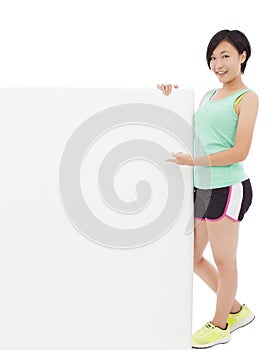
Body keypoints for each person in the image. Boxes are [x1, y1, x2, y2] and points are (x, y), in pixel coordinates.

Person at [157, 29, 258, 348]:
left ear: (242, 56)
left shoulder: (247, 98)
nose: (218, 63)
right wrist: (170, 95)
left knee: (224, 259)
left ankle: (220, 324)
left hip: (228, 188)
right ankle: (236, 310)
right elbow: (194, 131)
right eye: (213, 58)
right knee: (192, 258)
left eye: (225, 56)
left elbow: (240, 151)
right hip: (202, 187)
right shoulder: (208, 96)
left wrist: (194, 161)